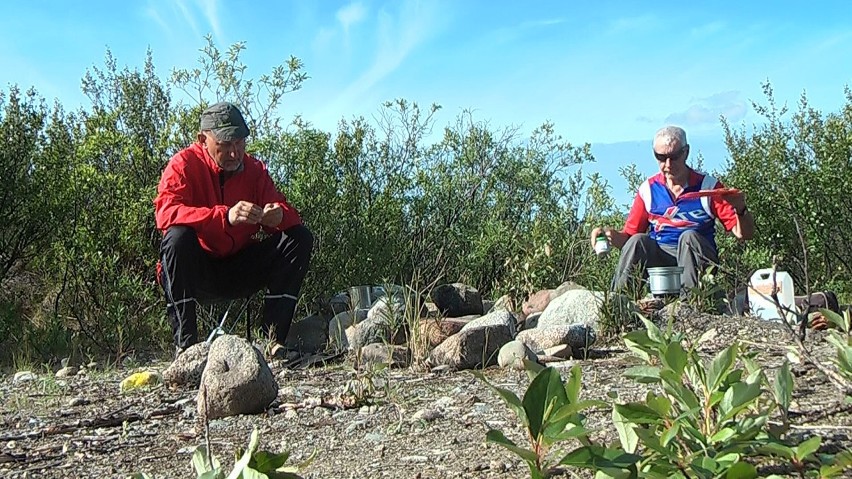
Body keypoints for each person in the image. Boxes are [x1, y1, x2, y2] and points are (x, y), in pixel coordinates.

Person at [154, 102, 313, 356]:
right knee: (176, 238)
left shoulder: (255, 170)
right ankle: (187, 349)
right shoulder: (183, 164)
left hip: (240, 267)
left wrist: (279, 215)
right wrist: (224, 216)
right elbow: (166, 214)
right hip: (198, 270)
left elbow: (290, 216)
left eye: (239, 143)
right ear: (202, 140)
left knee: (299, 238)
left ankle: (271, 343)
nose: (234, 153)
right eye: (225, 144)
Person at [590, 125, 754, 296]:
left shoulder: (708, 187)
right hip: (661, 258)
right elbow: (630, 240)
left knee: (688, 237)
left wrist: (740, 209)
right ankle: (620, 303)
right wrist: (608, 235)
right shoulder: (648, 190)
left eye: (674, 157)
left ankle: (692, 304)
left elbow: (744, 234)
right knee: (638, 240)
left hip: (696, 255)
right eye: (661, 157)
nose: (668, 164)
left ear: (686, 152)